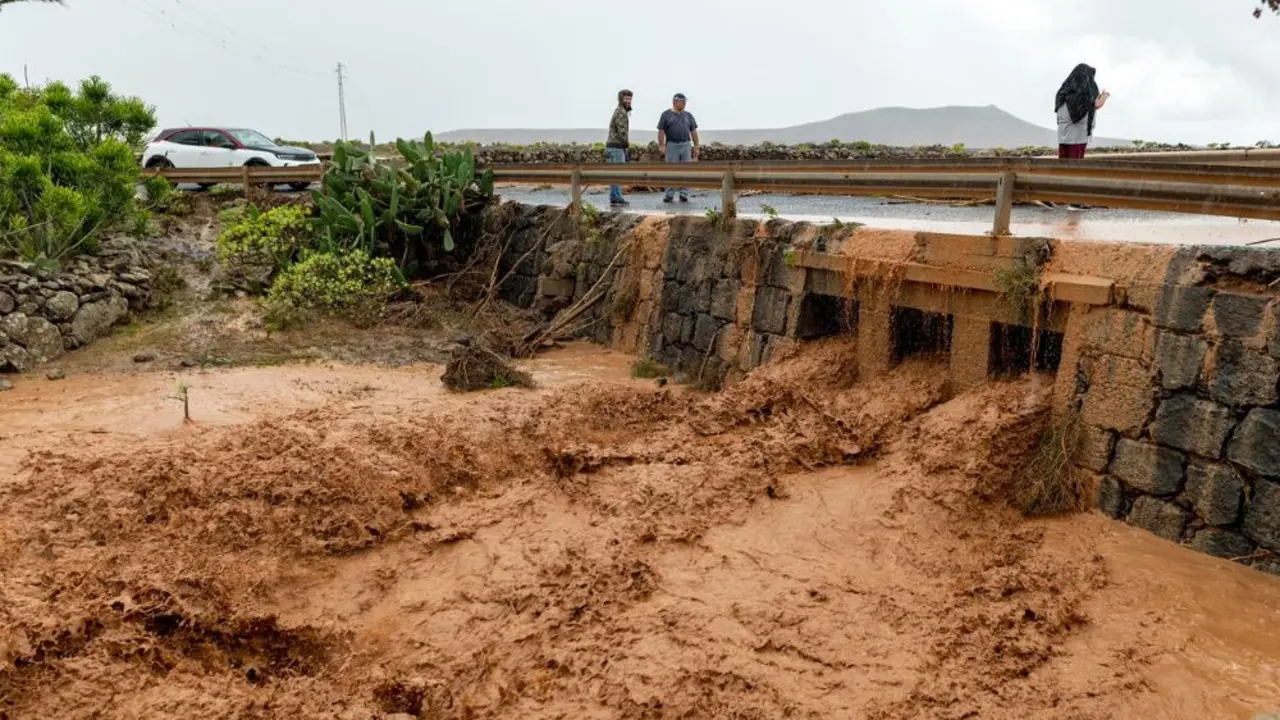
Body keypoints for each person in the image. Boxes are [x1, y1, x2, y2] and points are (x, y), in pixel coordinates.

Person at [1055, 63, 1109, 160]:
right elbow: (1097, 104)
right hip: (1077, 138)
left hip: (1063, 135)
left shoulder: (1063, 92)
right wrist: (1105, 95)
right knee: (1075, 166)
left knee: (1063, 165)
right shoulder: (1083, 94)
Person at [658, 93, 700, 203]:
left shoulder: (688, 116)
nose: (684, 104)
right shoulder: (666, 115)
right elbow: (661, 130)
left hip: (685, 144)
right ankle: (669, 194)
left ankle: (684, 193)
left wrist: (696, 146)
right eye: (682, 102)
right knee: (670, 170)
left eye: (685, 102)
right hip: (672, 145)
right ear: (675, 102)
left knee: (686, 170)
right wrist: (661, 145)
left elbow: (693, 131)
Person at [606, 89, 632, 207]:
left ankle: (615, 197)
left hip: (612, 146)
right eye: (626, 98)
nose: (629, 101)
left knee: (613, 174)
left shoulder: (619, 111)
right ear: (621, 99)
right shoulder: (621, 112)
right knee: (617, 173)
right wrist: (626, 145)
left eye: (630, 99)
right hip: (616, 147)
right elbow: (622, 132)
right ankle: (617, 197)